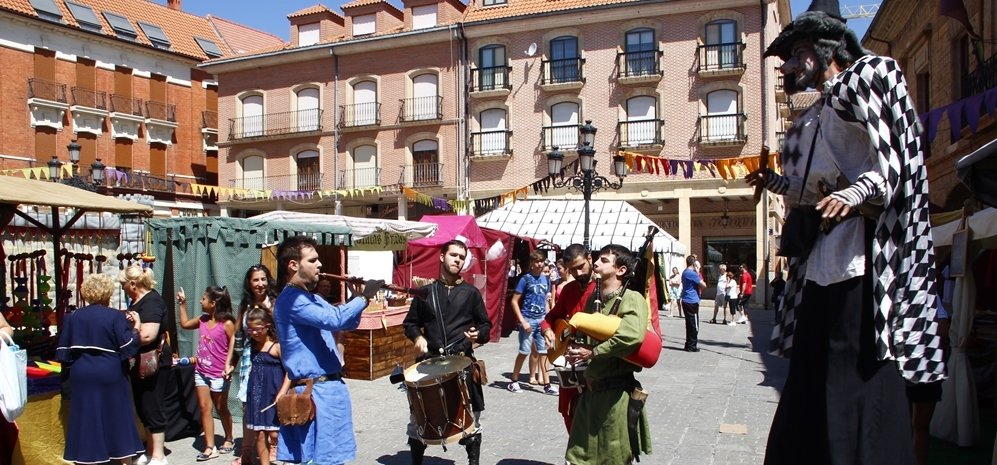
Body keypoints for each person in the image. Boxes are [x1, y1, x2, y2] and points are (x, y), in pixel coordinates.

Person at [746, 1, 946, 463]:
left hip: (862, 261)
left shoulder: (868, 77)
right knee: (812, 372)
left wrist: (856, 194)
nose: (791, 64)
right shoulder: (815, 116)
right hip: (822, 261)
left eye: (798, 52)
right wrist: (774, 182)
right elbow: (810, 190)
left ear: (823, 47)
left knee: (852, 372)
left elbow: (891, 162)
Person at [272, 235, 381, 465]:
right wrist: (363, 296)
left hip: (328, 391)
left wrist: (355, 296)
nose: (320, 265)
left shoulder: (311, 298)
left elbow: (346, 323)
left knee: (331, 460)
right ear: (294, 265)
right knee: (317, 461)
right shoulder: (292, 300)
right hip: (315, 393)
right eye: (313, 260)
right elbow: (334, 319)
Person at [402, 239, 492, 465]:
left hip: (462, 363)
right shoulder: (425, 292)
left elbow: (485, 326)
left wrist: (477, 336)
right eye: (453, 255)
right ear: (442, 257)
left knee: (473, 420)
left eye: (462, 257)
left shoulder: (471, 293)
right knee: (418, 419)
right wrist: (418, 337)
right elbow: (410, 323)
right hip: (430, 362)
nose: (458, 260)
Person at [563, 244, 651, 465]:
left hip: (615, 397)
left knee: (613, 459)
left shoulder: (632, 298)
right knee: (578, 458)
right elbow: (588, 332)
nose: (596, 263)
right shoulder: (594, 299)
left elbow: (631, 336)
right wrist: (574, 346)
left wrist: (593, 352)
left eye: (603, 260)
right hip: (590, 394)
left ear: (620, 270)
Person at [56, 274, 145, 465]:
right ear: (107, 293)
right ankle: (123, 458)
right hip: (109, 371)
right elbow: (129, 345)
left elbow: (63, 353)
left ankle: (88, 458)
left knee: (86, 415)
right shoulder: (114, 316)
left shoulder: (73, 317)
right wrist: (136, 327)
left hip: (82, 373)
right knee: (116, 414)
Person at [119, 264, 173, 465]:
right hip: (139, 362)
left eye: (124, 284)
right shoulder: (137, 301)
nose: (123, 287)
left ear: (133, 284)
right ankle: (150, 451)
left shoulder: (152, 302)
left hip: (153, 362)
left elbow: (147, 335)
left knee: (152, 405)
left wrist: (133, 329)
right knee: (144, 407)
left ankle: (159, 455)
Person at [177, 286, 237, 461]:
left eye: (204, 299)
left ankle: (229, 437)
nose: (201, 301)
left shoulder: (226, 323)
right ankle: (210, 447)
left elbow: (234, 346)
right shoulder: (202, 319)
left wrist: (229, 365)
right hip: (201, 371)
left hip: (219, 373)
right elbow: (185, 324)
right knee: (204, 408)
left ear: (213, 303)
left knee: (221, 407)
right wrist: (182, 303)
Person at [542, 243, 596, 432]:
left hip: (596, 362)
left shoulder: (602, 288)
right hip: (570, 362)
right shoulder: (569, 289)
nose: (578, 273)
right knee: (569, 412)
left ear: (590, 259)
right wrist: (547, 330)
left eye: (581, 266)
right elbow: (551, 316)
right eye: (573, 269)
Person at [233, 265, 276, 465]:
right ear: (249, 284)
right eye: (255, 280)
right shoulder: (245, 305)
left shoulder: (274, 302)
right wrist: (231, 361)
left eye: (263, 279)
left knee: (270, 403)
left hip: (271, 359)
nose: (260, 284)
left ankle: (273, 447)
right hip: (250, 360)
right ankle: (247, 451)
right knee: (248, 405)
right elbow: (237, 335)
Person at [242, 307, 290, 465]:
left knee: (274, 434)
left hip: (273, 396)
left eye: (257, 329)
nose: (254, 333)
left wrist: (282, 392)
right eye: (251, 330)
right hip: (256, 396)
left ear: (267, 326)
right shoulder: (252, 348)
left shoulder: (276, 347)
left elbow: (290, 372)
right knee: (259, 434)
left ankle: (286, 458)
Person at [508, 250, 554, 394]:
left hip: (541, 320)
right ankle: (514, 381)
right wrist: (522, 320)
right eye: (537, 261)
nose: (540, 264)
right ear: (532, 263)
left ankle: (547, 384)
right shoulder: (525, 279)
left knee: (543, 352)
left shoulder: (545, 279)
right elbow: (514, 301)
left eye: (542, 261)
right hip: (528, 319)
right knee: (524, 351)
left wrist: (547, 320)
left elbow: (545, 300)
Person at [680, 255, 706, 352]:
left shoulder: (685, 272)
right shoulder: (692, 273)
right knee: (694, 325)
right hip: (692, 300)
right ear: (694, 263)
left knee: (689, 323)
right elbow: (704, 285)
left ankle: (688, 344)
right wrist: (698, 272)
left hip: (686, 299)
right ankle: (692, 346)